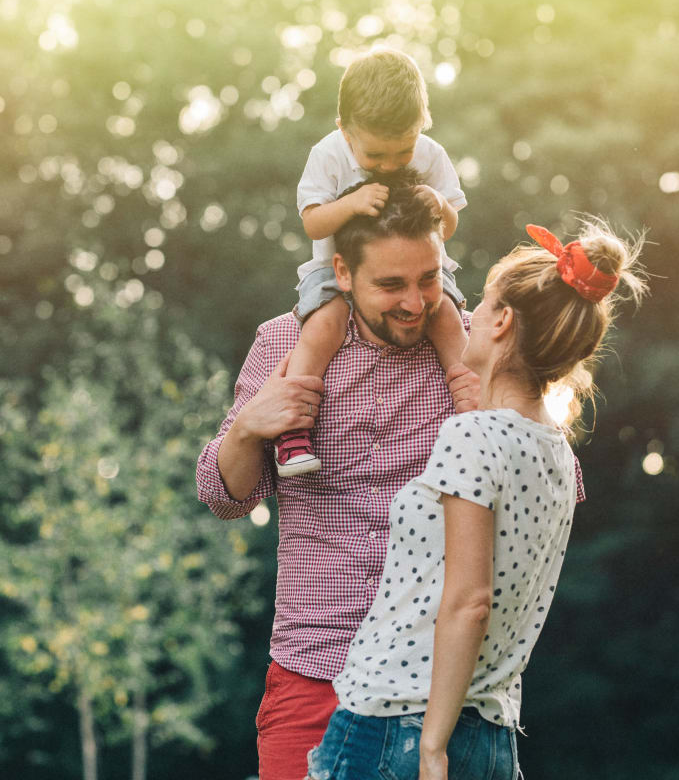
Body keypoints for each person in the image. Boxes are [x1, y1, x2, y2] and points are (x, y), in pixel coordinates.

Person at [305, 219, 645, 780]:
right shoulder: (559, 455)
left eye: (482, 305)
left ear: (504, 321)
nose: (470, 317)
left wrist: (432, 747)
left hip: (399, 728)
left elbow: (470, 601)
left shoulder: (474, 435)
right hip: (492, 739)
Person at [195, 181, 484, 780]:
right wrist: (249, 430)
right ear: (342, 273)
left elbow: (547, 491)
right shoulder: (283, 342)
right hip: (314, 668)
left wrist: (497, 414)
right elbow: (223, 497)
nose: (414, 302)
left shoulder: (474, 346)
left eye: (428, 279)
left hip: (436, 680)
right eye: (390, 285)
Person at [274, 47, 469, 477]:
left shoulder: (431, 154)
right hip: (333, 271)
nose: (388, 166)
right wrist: (353, 203)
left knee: (449, 320)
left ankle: (473, 407)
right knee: (322, 327)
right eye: (375, 157)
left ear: (422, 126)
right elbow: (313, 224)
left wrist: (438, 203)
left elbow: (450, 226)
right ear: (345, 130)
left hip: (420, 265)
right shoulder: (328, 155)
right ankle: (292, 432)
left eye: (402, 154)